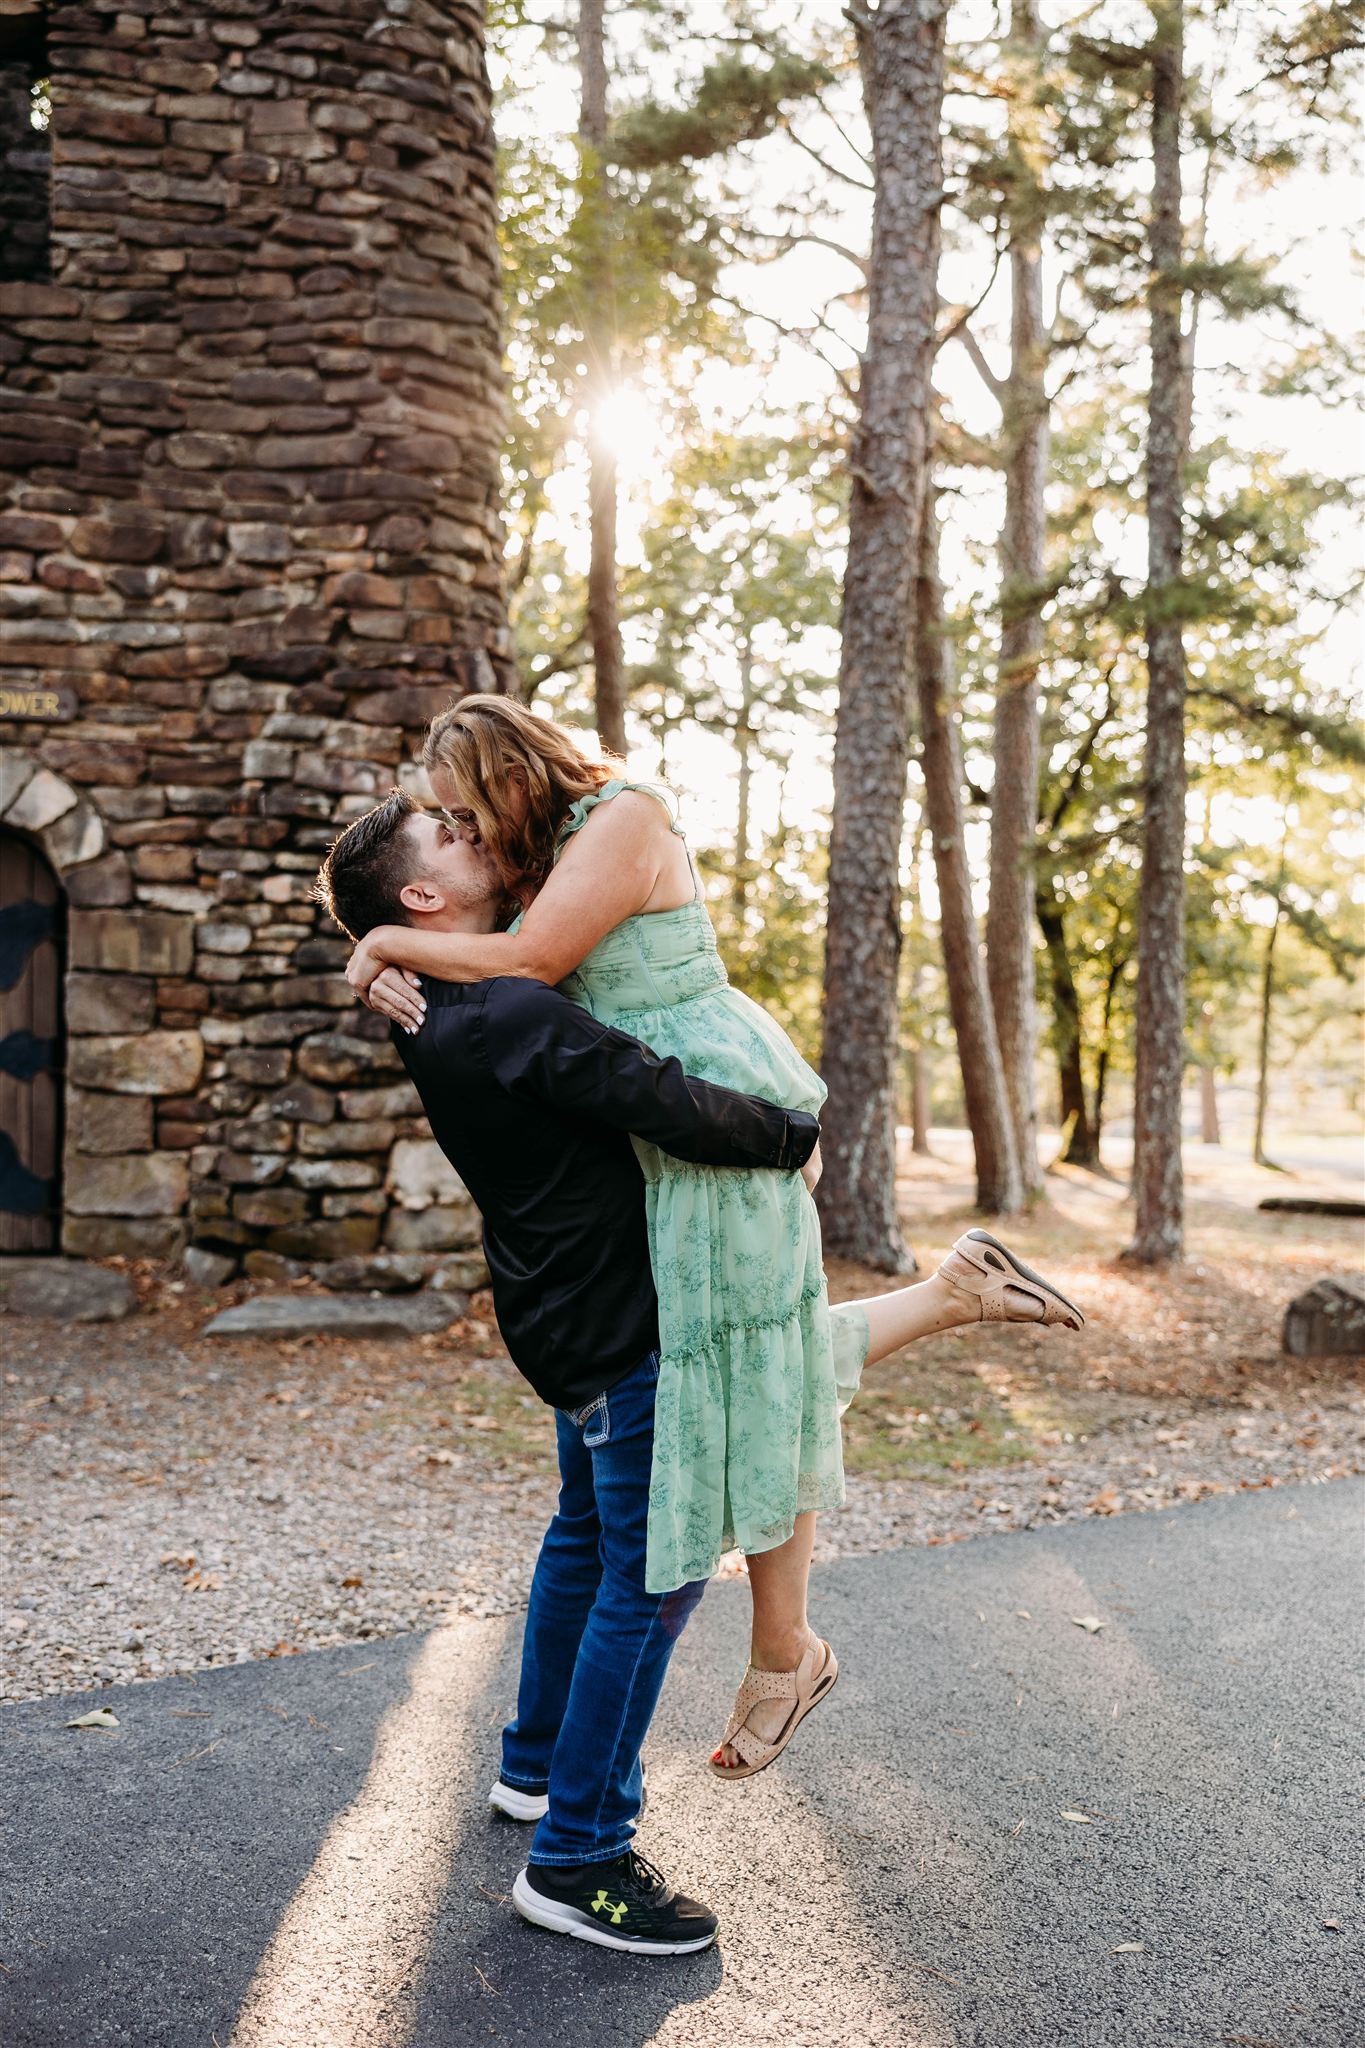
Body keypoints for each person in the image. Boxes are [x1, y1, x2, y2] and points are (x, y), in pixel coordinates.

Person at [342, 699, 1085, 1782]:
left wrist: (378, 942)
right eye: (447, 825)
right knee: (722, 1371)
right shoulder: (536, 855)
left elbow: (537, 960)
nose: (468, 830)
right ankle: (952, 1295)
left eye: (466, 808)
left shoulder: (627, 816)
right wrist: (384, 950)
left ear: (508, 772)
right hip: (643, 1127)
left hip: (703, 1104)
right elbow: (509, 968)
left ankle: (782, 1655)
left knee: (746, 1361)